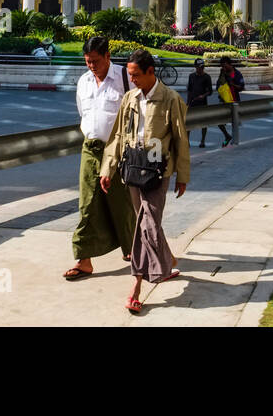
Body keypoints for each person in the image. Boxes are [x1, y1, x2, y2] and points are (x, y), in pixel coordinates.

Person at [101, 48, 189, 314]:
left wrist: (182, 176)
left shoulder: (170, 99)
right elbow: (117, 136)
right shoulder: (129, 98)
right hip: (132, 169)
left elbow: (180, 140)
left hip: (157, 173)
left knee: (146, 225)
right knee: (147, 222)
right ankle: (167, 262)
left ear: (151, 72)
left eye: (136, 75)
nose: (133, 80)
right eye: (130, 75)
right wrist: (108, 168)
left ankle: (136, 287)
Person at [63, 36, 136, 281]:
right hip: (91, 149)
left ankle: (133, 250)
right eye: (87, 61)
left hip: (119, 151)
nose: (92, 66)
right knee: (87, 204)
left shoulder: (125, 78)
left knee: (121, 203)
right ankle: (84, 259)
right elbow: (83, 113)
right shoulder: (83, 82)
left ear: (107, 55)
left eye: (95, 61)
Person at [186, 58, 231, 149]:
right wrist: (188, 102)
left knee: (204, 123)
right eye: (199, 67)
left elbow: (210, 91)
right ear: (195, 67)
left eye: (202, 67)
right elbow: (190, 90)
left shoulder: (207, 77)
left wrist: (203, 95)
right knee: (189, 123)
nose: (201, 69)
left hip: (202, 103)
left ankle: (202, 141)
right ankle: (187, 141)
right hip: (192, 102)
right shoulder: (191, 76)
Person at [215, 56, 243, 147]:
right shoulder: (222, 73)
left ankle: (234, 140)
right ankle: (227, 136)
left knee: (234, 122)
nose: (224, 68)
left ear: (229, 64)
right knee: (219, 121)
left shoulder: (237, 74)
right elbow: (218, 86)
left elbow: (241, 87)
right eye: (222, 66)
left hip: (234, 101)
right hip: (223, 101)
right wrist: (222, 75)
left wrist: (233, 84)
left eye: (225, 66)